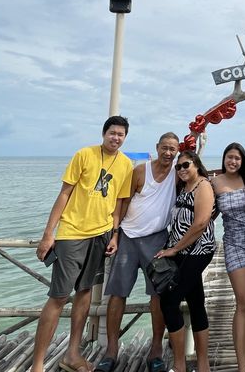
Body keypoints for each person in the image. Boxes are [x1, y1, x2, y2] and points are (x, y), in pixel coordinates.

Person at [32, 116, 134, 372]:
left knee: (85, 293)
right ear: (104, 133)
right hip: (72, 233)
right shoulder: (84, 154)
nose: (116, 138)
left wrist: (114, 235)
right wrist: (48, 233)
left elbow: (119, 204)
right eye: (112, 133)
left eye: (121, 134)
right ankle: (37, 364)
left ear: (125, 137)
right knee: (58, 296)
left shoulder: (126, 165)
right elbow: (65, 193)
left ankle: (72, 355)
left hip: (100, 235)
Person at [97, 132, 180, 372]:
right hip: (128, 236)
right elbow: (122, 202)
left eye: (172, 149)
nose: (168, 152)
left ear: (176, 151)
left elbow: (202, 178)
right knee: (117, 293)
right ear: (157, 147)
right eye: (164, 147)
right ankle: (111, 349)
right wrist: (114, 234)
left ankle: (156, 348)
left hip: (157, 239)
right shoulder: (141, 171)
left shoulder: (178, 173)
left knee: (158, 295)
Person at [154, 150, 216, 372]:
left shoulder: (203, 186)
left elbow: (200, 223)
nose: (181, 169)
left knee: (168, 302)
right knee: (196, 302)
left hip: (198, 251)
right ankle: (202, 364)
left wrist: (174, 249)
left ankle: (180, 364)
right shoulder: (185, 187)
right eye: (178, 166)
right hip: (182, 252)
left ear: (197, 164)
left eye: (186, 164)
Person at [211, 143, 245, 372]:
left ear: (242, 161)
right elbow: (205, 211)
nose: (232, 161)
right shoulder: (215, 182)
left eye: (237, 158)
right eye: (229, 157)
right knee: (243, 300)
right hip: (234, 244)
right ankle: (242, 364)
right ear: (224, 159)